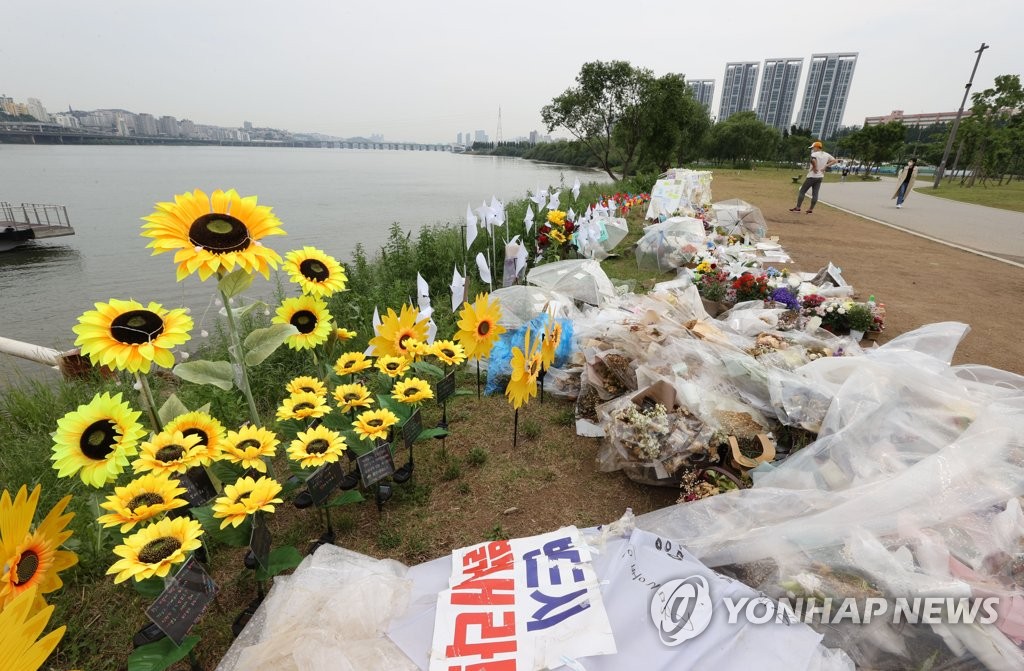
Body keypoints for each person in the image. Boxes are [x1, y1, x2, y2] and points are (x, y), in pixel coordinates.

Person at [789, 141, 837, 214]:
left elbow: (813, 160)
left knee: (802, 191)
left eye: (813, 148)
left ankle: (798, 208)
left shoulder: (814, 154)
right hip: (820, 176)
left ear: (816, 147)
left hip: (812, 176)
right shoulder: (826, 154)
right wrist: (826, 166)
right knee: (815, 193)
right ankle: (811, 209)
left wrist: (815, 167)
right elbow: (834, 160)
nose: (812, 149)